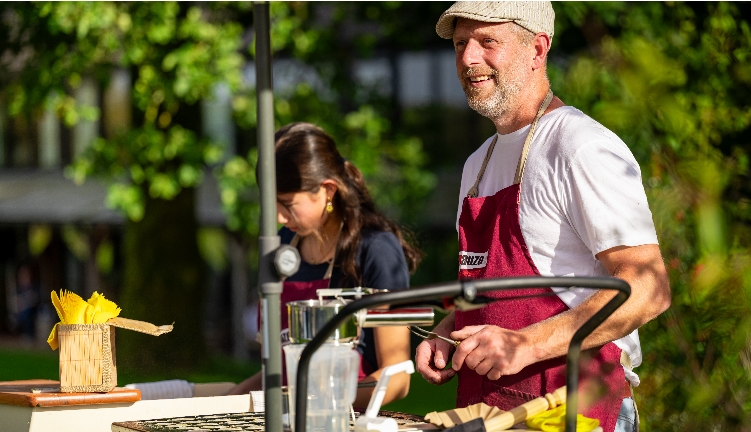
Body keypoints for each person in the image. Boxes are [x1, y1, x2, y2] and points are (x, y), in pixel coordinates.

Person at [414, 2, 671, 431]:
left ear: (537, 49)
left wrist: (524, 345)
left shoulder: (579, 146)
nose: (468, 59)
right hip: (489, 412)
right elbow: (494, 292)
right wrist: (451, 326)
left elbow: (648, 286)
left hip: (575, 411)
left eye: (487, 41)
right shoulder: (476, 164)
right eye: (461, 43)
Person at [230, 122, 421, 408]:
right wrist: (224, 403)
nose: (279, 218)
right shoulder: (282, 245)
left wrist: (318, 406)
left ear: (328, 190)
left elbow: (397, 377)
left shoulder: (376, 250)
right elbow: (279, 375)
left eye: (287, 204)